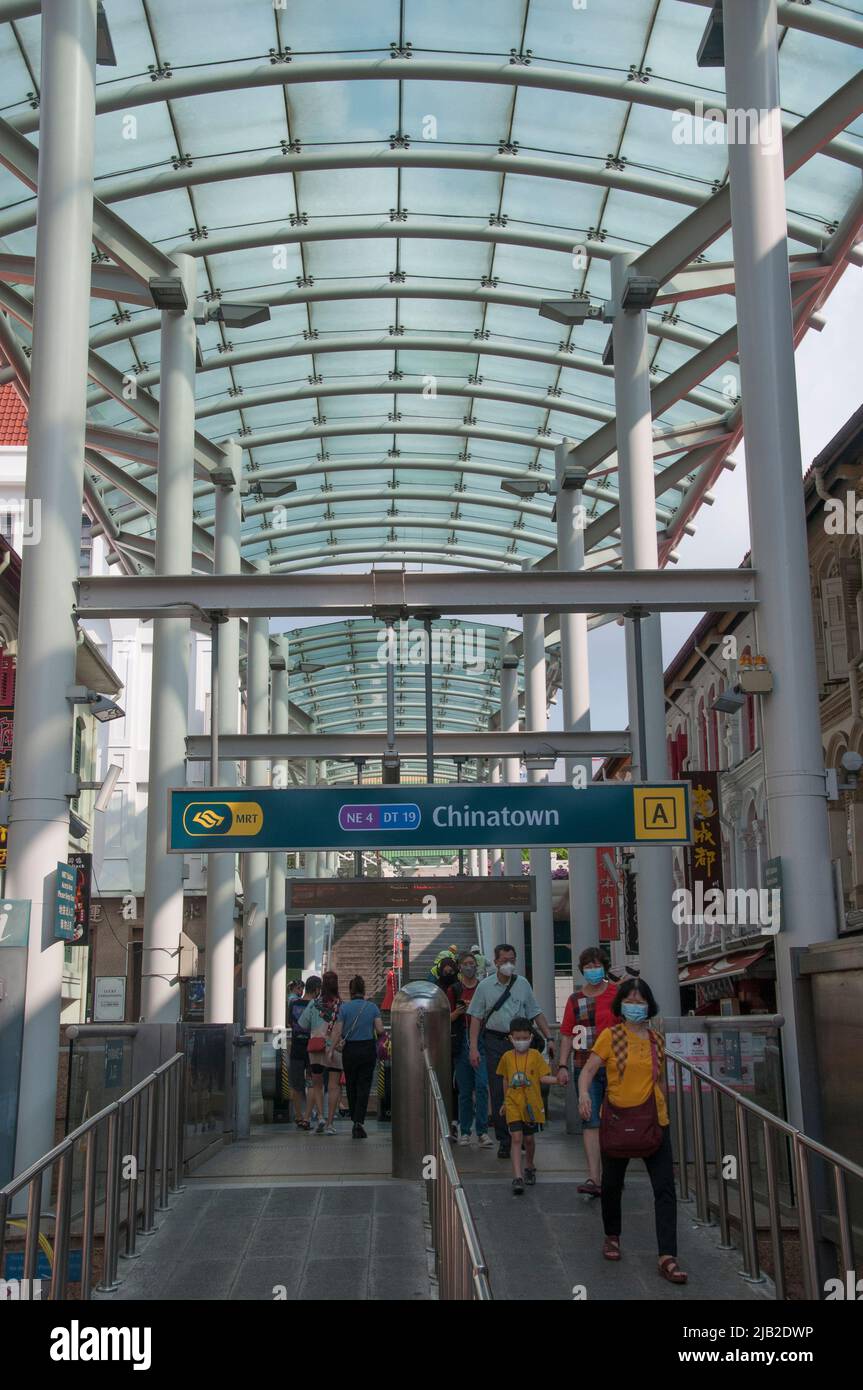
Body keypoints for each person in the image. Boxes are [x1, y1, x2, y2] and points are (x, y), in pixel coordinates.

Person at [578, 978, 688, 1284]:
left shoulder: (657, 1039)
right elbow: (588, 1071)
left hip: (654, 1121)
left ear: (649, 1005)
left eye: (641, 1002)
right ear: (621, 1005)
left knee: (665, 1189)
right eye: (631, 1001)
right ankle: (612, 1235)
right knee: (612, 1184)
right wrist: (584, 1094)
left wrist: (666, 1108)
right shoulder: (611, 1037)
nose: (635, 1007)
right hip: (617, 1120)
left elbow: (660, 1080)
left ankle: (667, 1255)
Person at [466, 943, 553, 1159]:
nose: (509, 964)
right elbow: (475, 1018)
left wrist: (549, 1037)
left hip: (521, 1043)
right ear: (495, 962)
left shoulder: (522, 984)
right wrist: (474, 1047)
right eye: (504, 960)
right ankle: (505, 1140)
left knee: (524, 1087)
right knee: (499, 1090)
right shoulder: (485, 987)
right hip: (495, 1042)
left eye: (512, 960)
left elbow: (535, 1011)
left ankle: (523, 1135)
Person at [557, 948, 617, 1196]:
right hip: (585, 1066)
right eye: (588, 966)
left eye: (597, 965)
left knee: (614, 1120)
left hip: (615, 1065)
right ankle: (595, 1176)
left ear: (604, 966)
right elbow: (567, 1033)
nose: (593, 970)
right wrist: (562, 1065)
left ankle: (613, 1173)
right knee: (590, 1120)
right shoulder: (575, 999)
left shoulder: (617, 994)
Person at [498, 1017, 563, 1195]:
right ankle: (517, 1177)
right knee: (516, 1138)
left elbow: (542, 1077)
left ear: (530, 1037)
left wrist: (557, 1080)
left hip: (531, 1105)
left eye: (524, 1038)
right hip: (513, 1104)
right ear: (511, 1038)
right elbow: (505, 1079)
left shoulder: (535, 1056)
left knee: (529, 1139)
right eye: (517, 1038)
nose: (521, 1042)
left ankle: (530, 1165)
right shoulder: (507, 1057)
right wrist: (504, 1101)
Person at [328, 974, 384, 1138]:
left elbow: (338, 1031)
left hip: (350, 1050)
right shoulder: (372, 1007)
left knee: (351, 1085)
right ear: (364, 989)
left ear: (351, 990)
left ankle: (354, 1119)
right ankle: (359, 1122)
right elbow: (380, 1029)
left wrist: (331, 1049)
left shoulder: (344, 1008)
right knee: (364, 1086)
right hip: (367, 1049)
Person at [452, 952, 493, 1147]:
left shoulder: (483, 988)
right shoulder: (454, 989)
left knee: (483, 1085)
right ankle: (465, 1129)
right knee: (465, 1089)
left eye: (472, 963)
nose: (470, 966)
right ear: (459, 967)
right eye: (466, 964)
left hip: (482, 1040)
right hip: (461, 1042)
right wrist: (458, 1012)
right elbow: (445, 1017)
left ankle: (483, 1130)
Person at [299, 969, 342, 1135]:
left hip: (316, 1047)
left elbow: (303, 1024)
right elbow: (342, 1028)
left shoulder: (313, 1003)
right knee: (333, 1086)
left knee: (316, 1084)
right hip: (335, 1049)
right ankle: (330, 1123)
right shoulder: (340, 1005)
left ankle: (321, 1117)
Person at [288, 975, 321, 1129]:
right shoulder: (316, 1005)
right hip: (312, 1048)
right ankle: (307, 1117)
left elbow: (291, 1023)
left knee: (296, 1084)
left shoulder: (293, 1004)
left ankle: (299, 1116)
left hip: (296, 1046)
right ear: (316, 990)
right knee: (312, 1083)